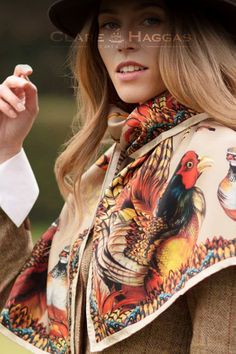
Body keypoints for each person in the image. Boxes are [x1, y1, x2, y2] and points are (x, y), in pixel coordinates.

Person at [0, 0, 235, 353]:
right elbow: (25, 303)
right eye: (109, 25)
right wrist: (7, 151)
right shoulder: (112, 169)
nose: (124, 41)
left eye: (151, 20)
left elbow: (222, 335)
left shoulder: (222, 159)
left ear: (195, 38)